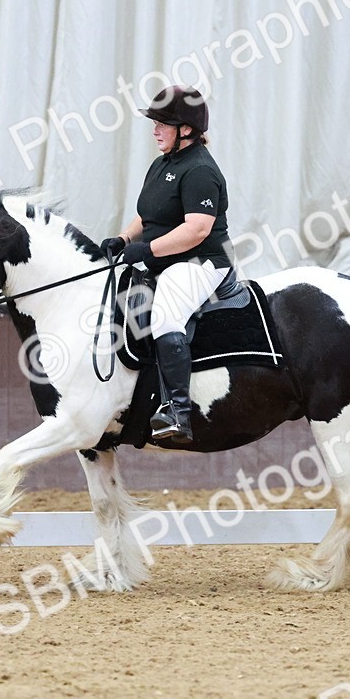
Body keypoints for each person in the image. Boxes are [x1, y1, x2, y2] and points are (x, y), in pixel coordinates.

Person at [100, 85, 233, 444]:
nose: (155, 130)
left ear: (186, 129)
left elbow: (197, 229)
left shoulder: (201, 170)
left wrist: (148, 250)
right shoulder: (162, 164)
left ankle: (178, 411)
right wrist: (124, 238)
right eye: (155, 123)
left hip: (200, 261)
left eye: (162, 124)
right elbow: (148, 215)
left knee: (165, 317)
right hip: (165, 259)